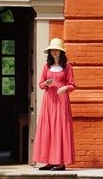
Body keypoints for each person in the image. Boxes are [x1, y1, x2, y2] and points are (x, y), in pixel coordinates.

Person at [32, 38, 75, 171]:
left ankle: (60, 163)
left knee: (60, 129)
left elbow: (72, 84)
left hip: (62, 101)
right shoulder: (47, 67)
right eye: (52, 50)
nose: (54, 52)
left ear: (61, 52)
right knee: (48, 129)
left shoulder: (68, 67)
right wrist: (46, 84)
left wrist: (66, 88)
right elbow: (40, 84)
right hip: (49, 101)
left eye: (56, 50)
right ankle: (50, 161)